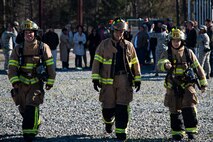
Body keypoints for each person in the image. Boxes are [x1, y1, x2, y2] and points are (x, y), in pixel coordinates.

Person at [92, 17, 141, 141]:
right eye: (118, 31)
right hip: (107, 83)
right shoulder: (104, 45)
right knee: (107, 110)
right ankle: (109, 122)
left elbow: (135, 63)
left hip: (124, 80)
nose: (120, 33)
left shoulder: (129, 46)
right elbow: (96, 62)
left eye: (122, 31)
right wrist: (95, 78)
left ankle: (121, 132)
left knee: (122, 107)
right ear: (112, 31)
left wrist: (137, 78)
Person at [8, 19, 56, 142]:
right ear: (22, 34)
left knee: (31, 106)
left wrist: (50, 81)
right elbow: (12, 67)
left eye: (31, 32)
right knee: (24, 110)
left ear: (35, 33)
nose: (29, 34)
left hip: (36, 83)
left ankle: (29, 134)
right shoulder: (18, 49)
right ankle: (36, 121)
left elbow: (50, 66)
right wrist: (14, 82)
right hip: (21, 84)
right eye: (26, 32)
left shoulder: (43, 47)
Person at [157, 28, 208, 141]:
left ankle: (191, 131)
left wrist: (203, 83)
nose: (176, 42)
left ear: (182, 41)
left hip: (187, 84)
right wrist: (165, 65)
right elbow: (159, 64)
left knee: (189, 105)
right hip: (172, 85)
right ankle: (177, 132)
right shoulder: (167, 52)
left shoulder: (188, 52)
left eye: (178, 40)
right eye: (174, 40)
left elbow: (198, 67)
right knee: (174, 108)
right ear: (170, 41)